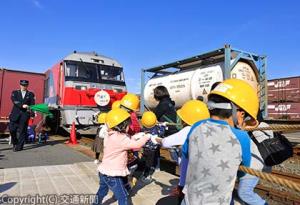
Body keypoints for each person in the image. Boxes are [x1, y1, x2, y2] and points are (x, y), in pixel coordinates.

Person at [181, 79, 257, 205]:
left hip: (189, 200)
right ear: (238, 113)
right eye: (244, 116)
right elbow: (243, 170)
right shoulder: (241, 137)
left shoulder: (196, 126)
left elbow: (185, 155)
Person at [154, 100, 210, 202]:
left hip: (190, 180)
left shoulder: (189, 130)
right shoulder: (209, 130)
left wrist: (155, 139)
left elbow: (166, 142)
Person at [93, 108, 150, 205]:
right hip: (113, 175)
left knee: (102, 191)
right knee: (123, 196)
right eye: (128, 124)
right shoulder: (121, 138)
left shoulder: (110, 135)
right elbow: (136, 145)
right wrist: (146, 137)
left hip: (103, 172)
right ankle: (127, 189)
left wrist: (137, 136)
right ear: (122, 126)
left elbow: (127, 140)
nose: (129, 126)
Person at [236, 111, 271, 205]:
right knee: (244, 190)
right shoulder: (265, 126)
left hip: (253, 165)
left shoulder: (246, 126)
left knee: (244, 193)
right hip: (257, 164)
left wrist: (242, 126)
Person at [9, 80, 35, 151]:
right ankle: (15, 142)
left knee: (22, 131)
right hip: (15, 114)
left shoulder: (30, 94)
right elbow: (14, 101)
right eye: (22, 85)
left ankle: (19, 147)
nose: (24, 86)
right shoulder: (15, 92)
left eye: (25, 85)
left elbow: (32, 104)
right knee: (12, 129)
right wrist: (22, 105)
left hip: (25, 115)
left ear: (27, 86)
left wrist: (32, 113)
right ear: (20, 85)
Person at [140, 111, 166, 182]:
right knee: (149, 163)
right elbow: (162, 132)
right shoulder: (157, 129)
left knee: (145, 160)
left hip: (144, 148)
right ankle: (146, 176)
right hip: (152, 149)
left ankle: (142, 172)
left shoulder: (143, 129)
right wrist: (163, 126)